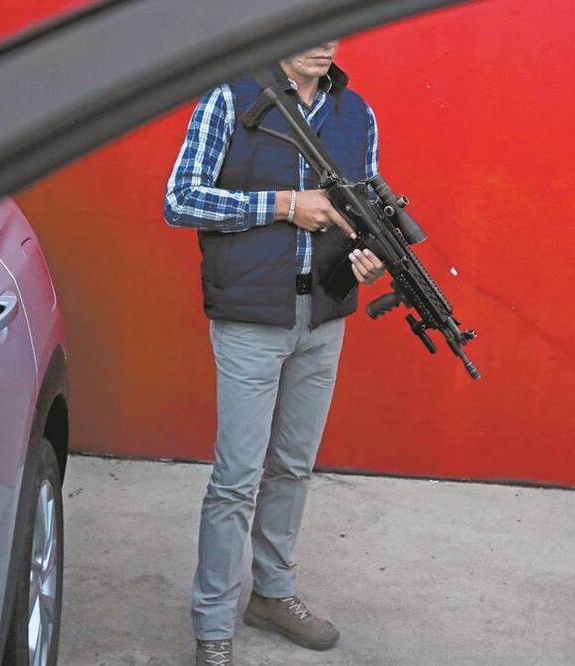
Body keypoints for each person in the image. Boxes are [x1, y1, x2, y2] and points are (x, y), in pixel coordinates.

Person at [163, 40, 385, 665]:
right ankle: (212, 624)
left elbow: (360, 211)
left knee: (293, 465)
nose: (323, 45)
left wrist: (367, 256)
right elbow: (180, 199)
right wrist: (286, 206)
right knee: (236, 479)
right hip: (251, 315)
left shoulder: (357, 113)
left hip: (324, 315)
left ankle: (273, 593)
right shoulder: (228, 100)